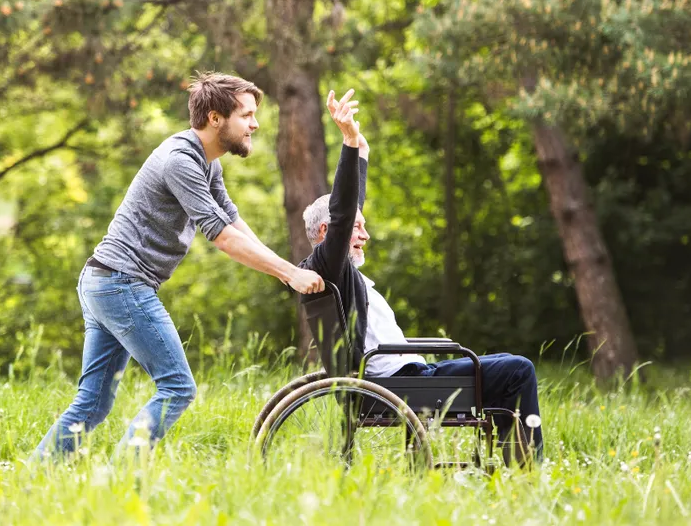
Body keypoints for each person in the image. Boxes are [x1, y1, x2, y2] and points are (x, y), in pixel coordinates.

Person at [35, 72, 324, 459]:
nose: (255, 124)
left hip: (103, 281)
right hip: (121, 283)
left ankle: (39, 473)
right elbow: (221, 236)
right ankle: (122, 481)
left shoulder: (208, 163)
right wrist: (290, 275)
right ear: (216, 118)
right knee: (177, 387)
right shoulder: (180, 161)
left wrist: (289, 269)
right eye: (247, 115)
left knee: (93, 404)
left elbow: (235, 223)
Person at [300, 88, 543, 461]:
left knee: (506, 366)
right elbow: (345, 209)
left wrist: (360, 150)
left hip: (406, 379)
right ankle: (526, 470)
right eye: (357, 227)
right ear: (326, 233)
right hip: (398, 387)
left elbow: (351, 205)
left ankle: (511, 462)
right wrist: (348, 143)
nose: (365, 234)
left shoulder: (338, 272)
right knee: (518, 371)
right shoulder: (329, 267)